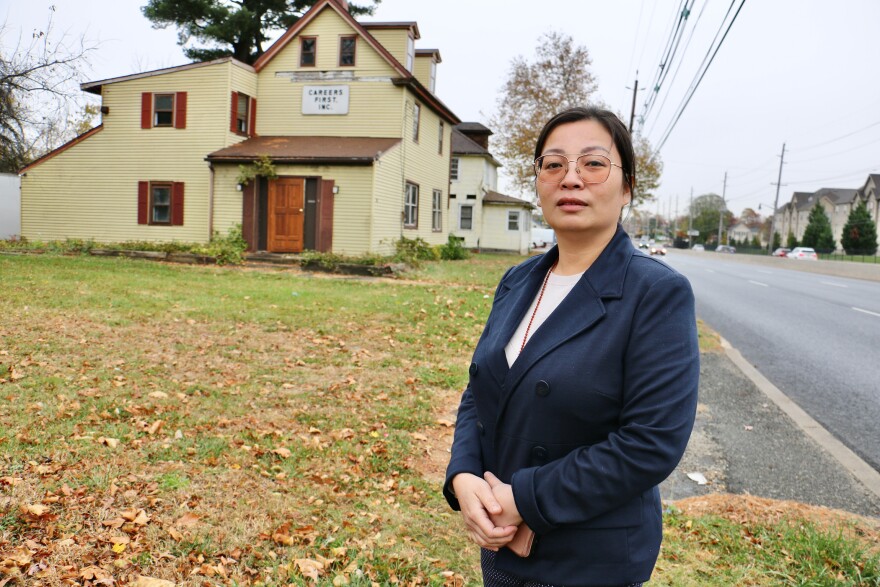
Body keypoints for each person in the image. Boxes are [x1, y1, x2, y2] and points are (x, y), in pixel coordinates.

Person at [443, 106, 699, 587]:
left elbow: (651, 443)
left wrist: (523, 498)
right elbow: (481, 389)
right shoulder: (518, 281)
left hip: (589, 559)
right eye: (553, 164)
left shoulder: (655, 292)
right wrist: (463, 476)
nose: (571, 179)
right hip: (503, 548)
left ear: (626, 188)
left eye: (594, 163)